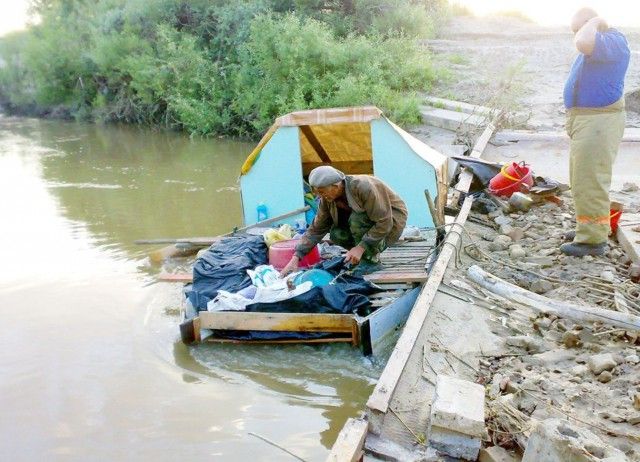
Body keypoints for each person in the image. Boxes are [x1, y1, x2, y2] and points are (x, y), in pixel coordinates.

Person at [560, 8, 630, 257]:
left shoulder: (613, 40)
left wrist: (596, 22)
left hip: (599, 122)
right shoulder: (599, 44)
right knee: (580, 179)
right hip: (586, 121)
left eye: (578, 27)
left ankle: (592, 241)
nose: (575, 34)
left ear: (591, 23)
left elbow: (583, 42)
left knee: (591, 180)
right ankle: (586, 228)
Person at [280, 166, 408, 276]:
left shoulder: (363, 187)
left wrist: (361, 247)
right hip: (371, 225)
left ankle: (371, 262)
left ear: (336, 186)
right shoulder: (327, 199)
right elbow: (316, 228)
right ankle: (362, 258)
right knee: (336, 233)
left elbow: (384, 222)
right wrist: (296, 257)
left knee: (356, 219)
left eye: (322, 192)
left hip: (391, 223)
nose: (320, 196)